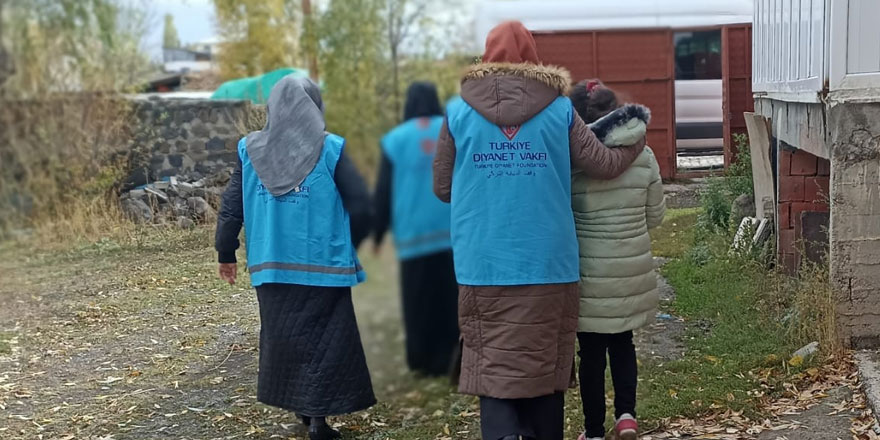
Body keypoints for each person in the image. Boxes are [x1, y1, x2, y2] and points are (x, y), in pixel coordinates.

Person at [432, 21, 647, 440]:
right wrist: (636, 141)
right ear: (532, 57)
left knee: (491, 368)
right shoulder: (559, 109)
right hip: (550, 261)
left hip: (483, 263)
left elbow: (442, 188)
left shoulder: (457, 111)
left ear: (486, 56)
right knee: (545, 370)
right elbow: (601, 164)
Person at [214, 76, 375, 440]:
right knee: (325, 343)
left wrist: (226, 252)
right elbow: (363, 206)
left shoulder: (249, 150)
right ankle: (318, 422)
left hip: (272, 267)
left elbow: (230, 207)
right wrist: (355, 242)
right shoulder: (331, 149)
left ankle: (307, 414)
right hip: (324, 266)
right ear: (314, 106)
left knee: (289, 340)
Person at [569, 79, 666, 440]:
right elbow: (655, 216)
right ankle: (626, 416)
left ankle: (593, 431)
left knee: (591, 354)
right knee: (623, 344)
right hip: (629, 267)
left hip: (589, 272)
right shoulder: (644, 153)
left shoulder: (572, 160)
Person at [373, 81, 459, 377]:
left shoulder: (394, 140)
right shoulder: (451, 129)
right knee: (450, 298)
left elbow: (383, 190)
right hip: (451, 232)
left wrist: (378, 232)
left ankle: (422, 360)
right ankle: (451, 356)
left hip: (413, 236)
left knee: (418, 300)